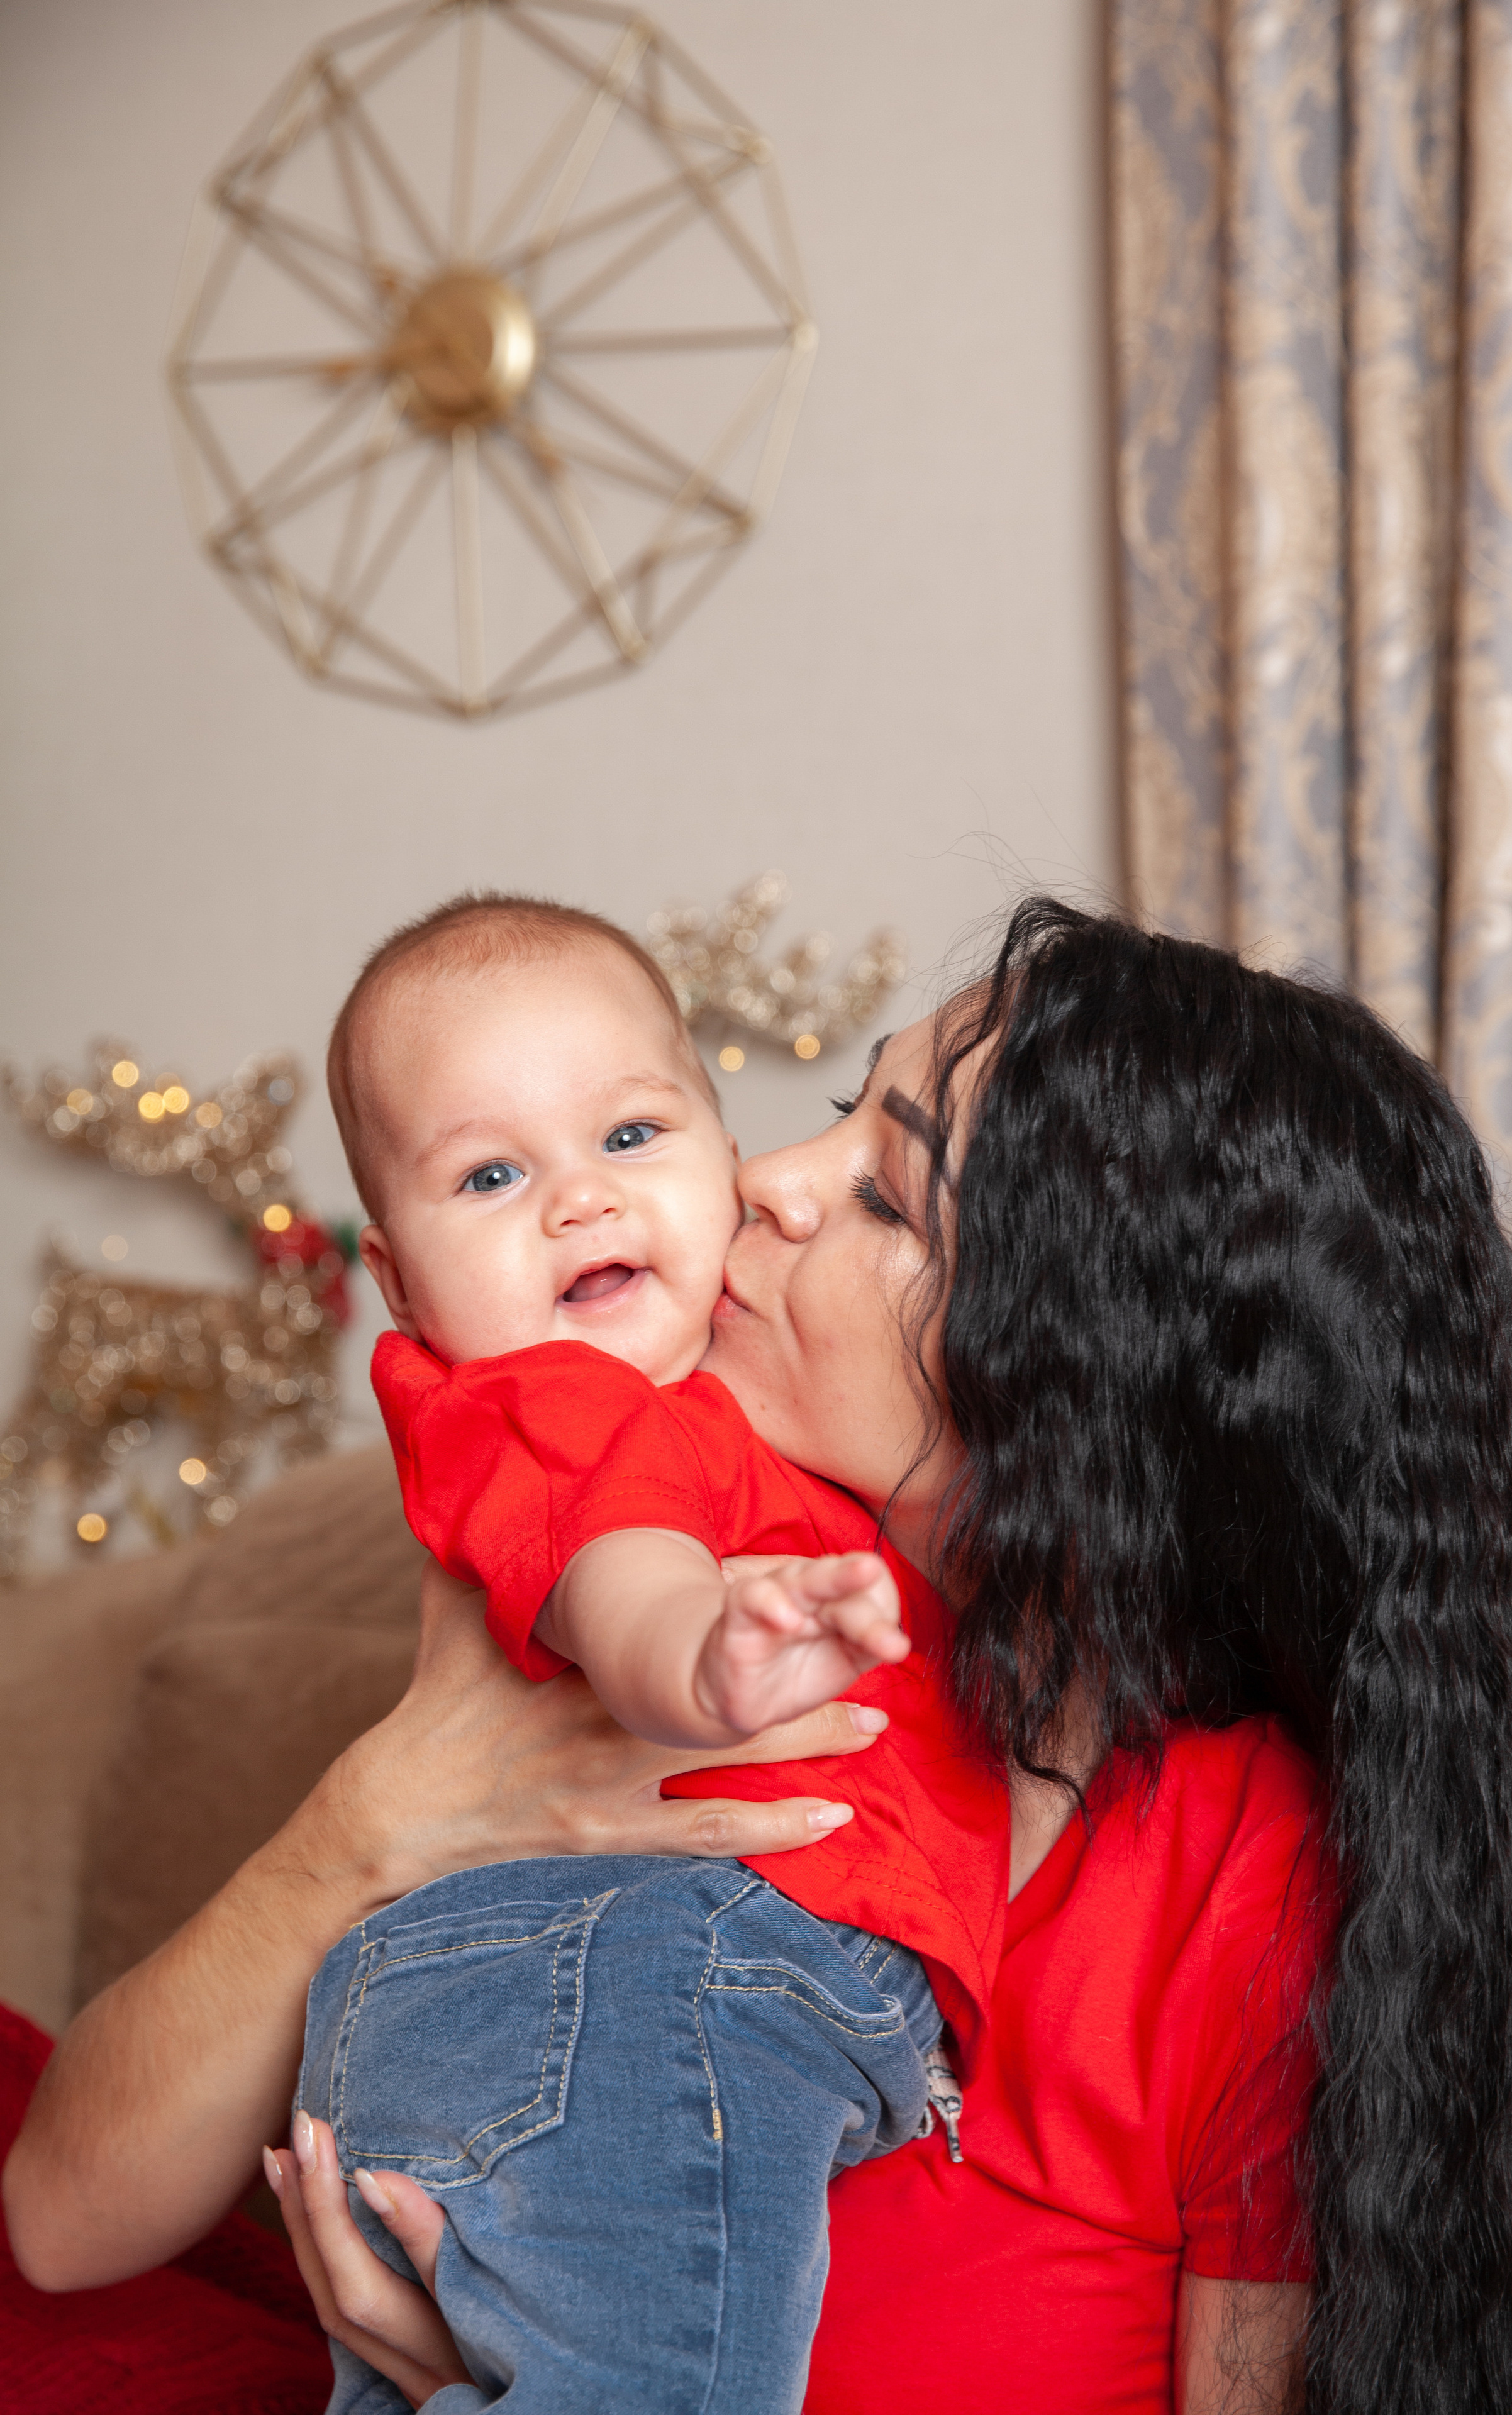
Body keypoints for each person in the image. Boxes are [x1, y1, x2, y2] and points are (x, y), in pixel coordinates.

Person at [8, 902, 1512, 2415]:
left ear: (1080, 1377)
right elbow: (66, 2223)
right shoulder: (655, 1569)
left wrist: (500, 2373)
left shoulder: (1241, 1883)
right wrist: (366, 1824)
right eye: (837, 1112)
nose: (765, 1174)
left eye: (884, 1194)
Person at [304, 892, 1006, 2414]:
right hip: (649, 1962)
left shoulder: (733, 1395)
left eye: (630, 1138)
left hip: (540, 1983)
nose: (578, 1201)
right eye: (491, 1175)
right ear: (402, 1281)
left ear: (714, 1140)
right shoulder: (556, 1407)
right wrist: (706, 1659)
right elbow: (621, 1572)